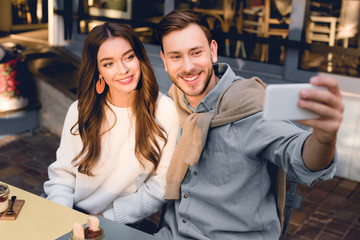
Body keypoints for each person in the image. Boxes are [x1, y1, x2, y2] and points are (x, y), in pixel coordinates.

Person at [154, 9, 344, 240]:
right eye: (176, 57)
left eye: (196, 52)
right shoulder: (172, 105)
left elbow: (299, 154)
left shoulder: (248, 106)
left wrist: (324, 138)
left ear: (213, 51)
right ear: (164, 61)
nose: (187, 66)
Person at [43, 22, 180, 224]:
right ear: (98, 70)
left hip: (119, 222)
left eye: (129, 57)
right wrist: (64, 218)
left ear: (140, 58)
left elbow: (160, 187)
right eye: (108, 63)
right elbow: (63, 175)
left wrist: (106, 219)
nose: (123, 69)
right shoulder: (81, 110)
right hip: (69, 212)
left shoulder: (166, 110)